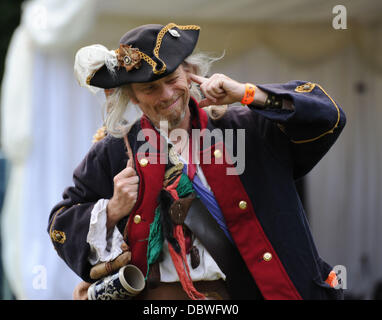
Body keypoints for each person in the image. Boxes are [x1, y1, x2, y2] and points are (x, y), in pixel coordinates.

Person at [48, 23, 346, 300]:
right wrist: (112, 210)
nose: (166, 95)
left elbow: (327, 118)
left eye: (171, 79)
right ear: (134, 98)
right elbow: (60, 225)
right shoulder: (114, 151)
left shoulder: (249, 127)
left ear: (189, 73)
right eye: (150, 88)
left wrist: (247, 93)